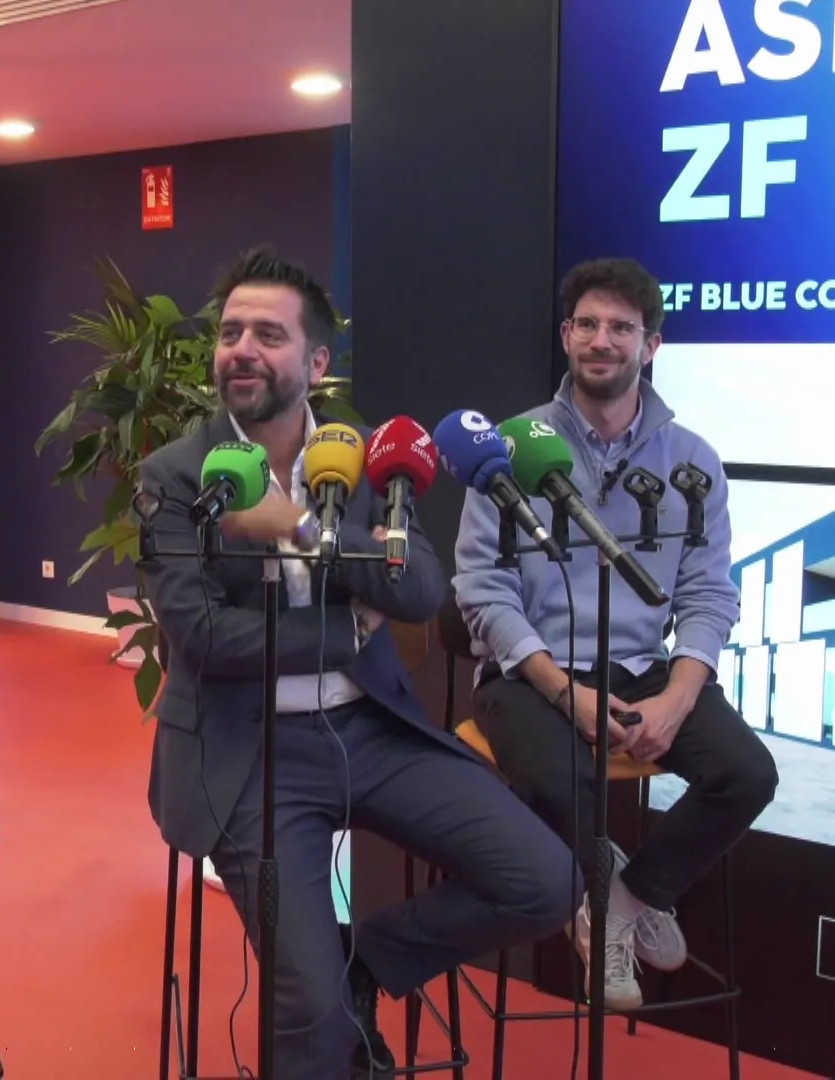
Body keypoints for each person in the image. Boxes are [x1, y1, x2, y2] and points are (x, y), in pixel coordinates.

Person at [137, 247, 580, 1078]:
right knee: (307, 1014)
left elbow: (417, 587)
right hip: (248, 752)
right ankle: (331, 1004)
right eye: (231, 331)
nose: (241, 348)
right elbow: (202, 639)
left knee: (545, 881)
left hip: (370, 732)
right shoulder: (175, 475)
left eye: (268, 334)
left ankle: (363, 959)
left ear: (315, 362)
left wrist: (301, 528)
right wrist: (351, 628)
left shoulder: (370, 456)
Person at [452, 256, 778, 1011]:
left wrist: (677, 695)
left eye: (621, 328)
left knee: (747, 773)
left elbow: (707, 593)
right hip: (527, 670)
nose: (603, 341)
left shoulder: (692, 460)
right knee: (564, 777)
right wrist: (565, 693)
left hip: (641, 667)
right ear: (567, 337)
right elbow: (482, 587)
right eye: (588, 325)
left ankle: (622, 902)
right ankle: (605, 888)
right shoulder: (508, 448)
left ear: (651, 344)